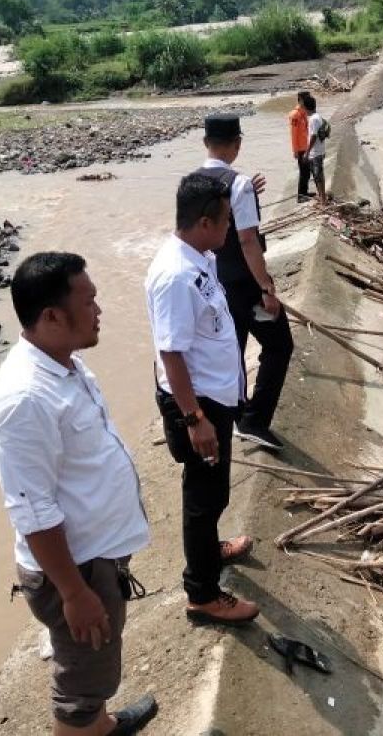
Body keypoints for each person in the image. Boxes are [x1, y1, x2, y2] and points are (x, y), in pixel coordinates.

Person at [0, 252, 157, 736]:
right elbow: (31, 511)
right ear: (52, 316)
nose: (99, 309)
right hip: (75, 569)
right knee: (80, 688)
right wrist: (75, 593)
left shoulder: (66, 366)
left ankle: (102, 724)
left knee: (96, 669)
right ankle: (88, 726)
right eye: (90, 300)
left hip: (94, 558)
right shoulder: (23, 399)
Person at [145, 173, 261, 625]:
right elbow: (170, 353)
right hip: (198, 405)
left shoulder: (199, 257)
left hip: (213, 398)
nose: (232, 228)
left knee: (212, 493)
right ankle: (203, 594)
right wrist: (195, 419)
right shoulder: (175, 275)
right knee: (202, 494)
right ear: (205, 221)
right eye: (227, 220)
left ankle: (211, 551)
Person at [192, 113, 294, 452]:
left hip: (212, 285)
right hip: (246, 288)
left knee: (231, 350)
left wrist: (250, 192)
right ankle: (253, 421)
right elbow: (248, 241)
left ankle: (233, 414)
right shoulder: (238, 184)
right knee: (279, 344)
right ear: (237, 144)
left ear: (206, 143)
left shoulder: (192, 182)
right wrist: (267, 289)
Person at [304, 95, 327, 204]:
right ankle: (321, 197)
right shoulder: (318, 117)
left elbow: (313, 136)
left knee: (318, 176)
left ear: (306, 107)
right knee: (317, 175)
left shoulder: (313, 119)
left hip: (316, 152)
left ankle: (323, 201)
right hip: (319, 150)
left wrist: (307, 152)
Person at [290, 91, 312, 201]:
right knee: (303, 172)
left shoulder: (303, 113)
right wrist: (295, 151)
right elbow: (293, 134)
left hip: (306, 147)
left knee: (307, 172)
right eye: (307, 99)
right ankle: (301, 196)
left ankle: (305, 193)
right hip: (300, 149)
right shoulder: (295, 115)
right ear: (301, 100)